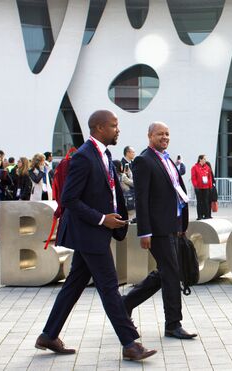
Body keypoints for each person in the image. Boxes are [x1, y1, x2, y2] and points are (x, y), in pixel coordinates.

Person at [35, 110, 156, 361]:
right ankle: (130, 344)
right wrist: (102, 219)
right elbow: (69, 199)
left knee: (74, 284)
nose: (118, 129)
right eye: (114, 125)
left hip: (95, 233)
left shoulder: (105, 154)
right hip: (89, 232)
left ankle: (48, 335)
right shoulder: (83, 157)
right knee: (110, 287)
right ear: (99, 128)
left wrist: (115, 216)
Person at [122, 122, 197, 340]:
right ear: (149, 136)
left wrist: (181, 225)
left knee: (166, 271)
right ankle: (173, 324)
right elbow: (141, 199)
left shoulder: (167, 159)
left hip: (172, 225)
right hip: (157, 229)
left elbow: (177, 193)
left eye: (167, 134)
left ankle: (124, 304)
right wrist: (144, 232)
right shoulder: (144, 160)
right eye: (159, 134)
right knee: (171, 273)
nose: (164, 137)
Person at [191, 154, 213, 220]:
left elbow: (209, 178)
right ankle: (199, 215)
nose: (205, 160)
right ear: (200, 159)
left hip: (206, 187)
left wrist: (210, 186)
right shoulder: (194, 167)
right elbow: (193, 178)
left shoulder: (207, 167)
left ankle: (206, 215)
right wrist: (195, 186)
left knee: (206, 201)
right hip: (199, 187)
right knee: (199, 201)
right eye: (204, 159)